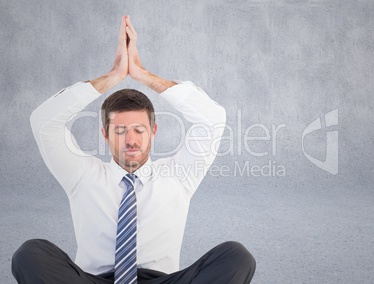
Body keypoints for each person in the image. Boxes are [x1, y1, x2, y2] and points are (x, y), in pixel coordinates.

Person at [11, 16, 256, 283]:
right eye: (120, 131)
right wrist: (112, 76)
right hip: (94, 280)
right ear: (104, 135)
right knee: (30, 253)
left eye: (139, 130)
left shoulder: (179, 174)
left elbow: (212, 118)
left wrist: (143, 75)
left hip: (161, 280)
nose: (131, 140)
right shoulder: (81, 174)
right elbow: (43, 121)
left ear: (154, 131)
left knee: (237, 255)